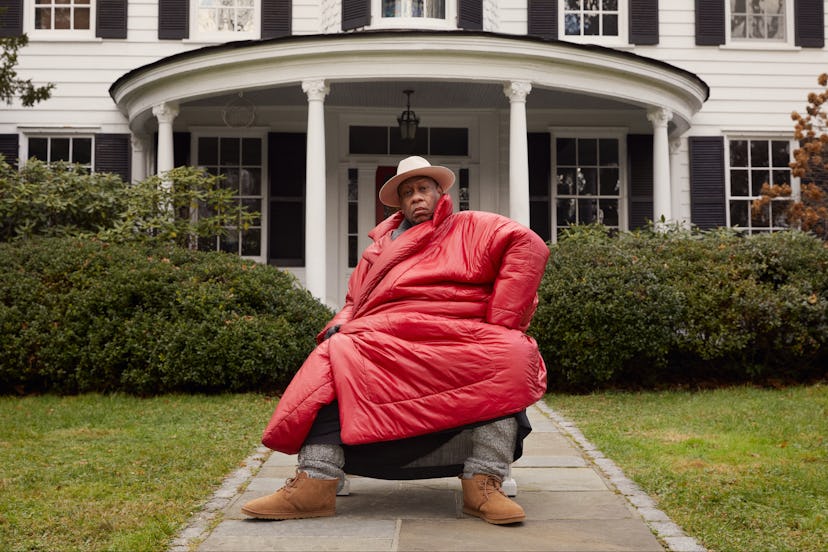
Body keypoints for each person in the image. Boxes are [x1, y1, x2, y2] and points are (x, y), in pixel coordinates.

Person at [242, 155, 549, 525]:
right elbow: (354, 301)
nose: (416, 198)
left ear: (441, 192)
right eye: (408, 193)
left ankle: (483, 480)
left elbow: (528, 246)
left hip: (456, 328)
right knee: (335, 353)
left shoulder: (474, 226)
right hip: (386, 332)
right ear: (399, 202)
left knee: (510, 354)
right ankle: (316, 480)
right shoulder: (377, 249)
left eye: (423, 189)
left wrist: (504, 318)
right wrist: (339, 325)